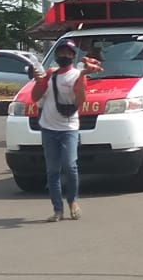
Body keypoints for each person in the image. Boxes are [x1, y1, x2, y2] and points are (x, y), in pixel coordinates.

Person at [31, 39, 100, 222]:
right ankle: (57, 210)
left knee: (70, 166)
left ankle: (73, 201)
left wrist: (83, 75)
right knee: (52, 170)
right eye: (61, 53)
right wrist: (40, 81)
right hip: (48, 128)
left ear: (73, 55)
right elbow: (35, 96)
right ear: (56, 55)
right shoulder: (50, 74)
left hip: (69, 128)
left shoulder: (77, 75)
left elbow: (79, 101)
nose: (64, 56)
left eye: (68, 53)